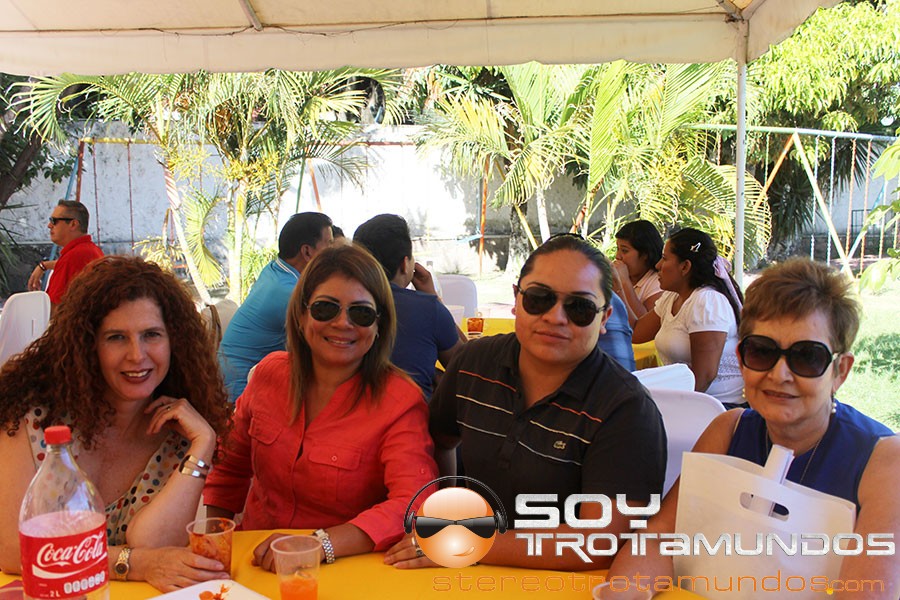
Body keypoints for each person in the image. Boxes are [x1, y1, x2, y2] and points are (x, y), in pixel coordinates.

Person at [606, 258, 900, 599]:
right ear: (741, 359)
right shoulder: (728, 430)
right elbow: (660, 539)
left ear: (840, 371)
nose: (779, 374)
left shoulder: (882, 461)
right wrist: (624, 592)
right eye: (761, 352)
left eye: (807, 356)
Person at [385, 233, 666, 571]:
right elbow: (438, 441)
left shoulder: (626, 409)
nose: (555, 317)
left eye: (579, 307)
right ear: (517, 299)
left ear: (604, 318)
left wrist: (465, 541)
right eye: (538, 298)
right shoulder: (475, 363)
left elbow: (599, 542)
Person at [0, 256, 231, 592]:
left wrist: (203, 444)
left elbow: (154, 544)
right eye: (116, 337)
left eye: (151, 334)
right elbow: (13, 551)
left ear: (174, 342)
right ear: (87, 345)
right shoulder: (29, 415)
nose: (137, 355)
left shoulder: (177, 431)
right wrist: (134, 563)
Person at [204, 244, 438, 569]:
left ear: (378, 326)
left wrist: (320, 543)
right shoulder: (269, 375)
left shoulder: (399, 400)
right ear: (301, 316)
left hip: (342, 568)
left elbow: (414, 501)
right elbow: (229, 470)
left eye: (361, 313)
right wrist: (215, 549)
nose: (342, 323)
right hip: (253, 561)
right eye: (325, 309)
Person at [219, 212, 333, 401]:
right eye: (329, 244)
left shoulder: (274, 270)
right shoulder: (288, 292)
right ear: (307, 252)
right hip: (238, 389)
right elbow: (325, 345)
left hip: (230, 377)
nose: (333, 252)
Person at [352, 214, 463, 398]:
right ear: (405, 264)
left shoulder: (339, 310)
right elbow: (467, 369)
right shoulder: (428, 309)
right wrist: (434, 298)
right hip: (413, 414)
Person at [632, 227, 744, 406]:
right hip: (687, 397)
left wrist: (666, 407)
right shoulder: (672, 297)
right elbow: (636, 332)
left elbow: (703, 377)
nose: (658, 265)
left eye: (665, 258)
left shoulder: (706, 301)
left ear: (685, 266)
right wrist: (619, 284)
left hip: (717, 405)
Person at [27, 200, 103, 310]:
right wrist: (44, 266)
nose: (49, 225)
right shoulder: (91, 250)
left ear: (73, 224)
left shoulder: (73, 256)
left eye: (54, 221)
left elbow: (54, 309)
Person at [611, 220, 664, 326]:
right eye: (618, 249)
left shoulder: (657, 282)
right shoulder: (616, 276)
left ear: (645, 254)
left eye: (624, 251)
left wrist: (624, 282)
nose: (618, 256)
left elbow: (644, 325)